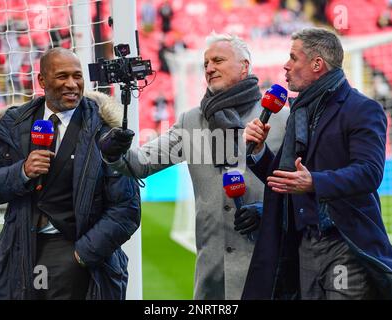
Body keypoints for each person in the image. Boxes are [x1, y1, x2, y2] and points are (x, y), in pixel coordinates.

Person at [98, 32, 289, 299]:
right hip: (212, 271)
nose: (210, 68)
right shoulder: (192, 121)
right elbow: (140, 164)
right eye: (206, 63)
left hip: (267, 263)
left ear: (244, 65)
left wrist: (267, 210)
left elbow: (299, 188)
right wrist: (113, 152)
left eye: (218, 60)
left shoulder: (281, 118)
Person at [242, 28, 392, 300]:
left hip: (344, 243)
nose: (286, 65)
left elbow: (370, 173)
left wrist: (314, 182)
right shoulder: (299, 112)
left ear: (317, 64)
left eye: (293, 58)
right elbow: (287, 179)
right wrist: (260, 151)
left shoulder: (361, 108)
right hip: (303, 244)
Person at [0, 47, 141, 300]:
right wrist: (21, 172)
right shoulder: (13, 124)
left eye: (77, 76)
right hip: (19, 253)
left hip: (78, 257)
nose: (72, 84)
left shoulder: (106, 132)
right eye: (62, 76)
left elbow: (127, 209)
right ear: (42, 81)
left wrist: (82, 255)